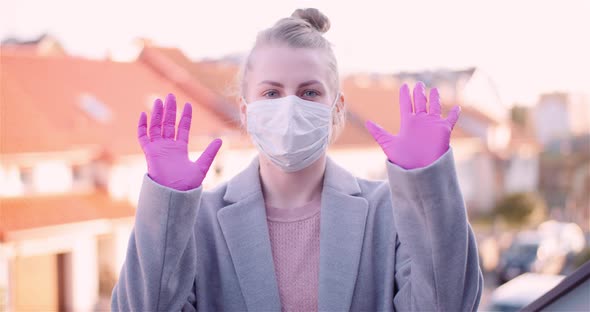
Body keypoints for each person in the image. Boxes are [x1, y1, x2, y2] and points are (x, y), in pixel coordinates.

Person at [111, 8, 483, 312]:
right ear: (245, 110)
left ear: (336, 108)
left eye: (309, 92)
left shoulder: (387, 213)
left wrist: (426, 187)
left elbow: (450, 304)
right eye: (271, 92)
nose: (289, 106)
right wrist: (166, 209)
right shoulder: (198, 222)